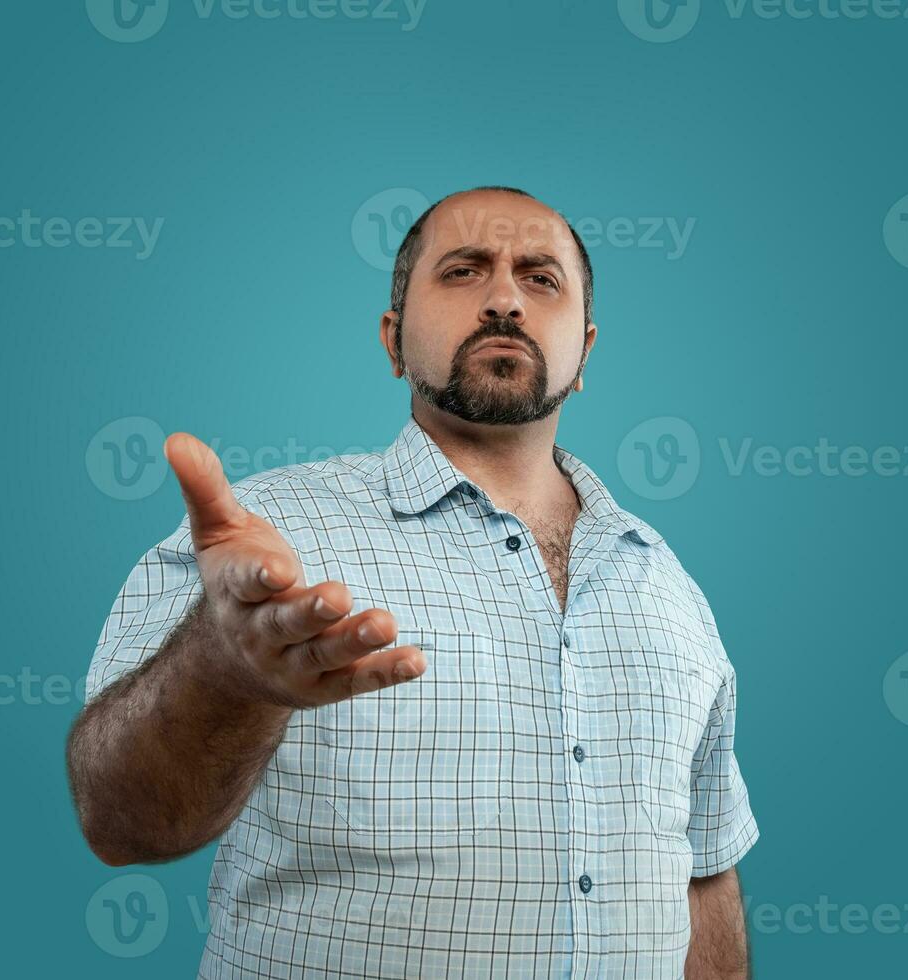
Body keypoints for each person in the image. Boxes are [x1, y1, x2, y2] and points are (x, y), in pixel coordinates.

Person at [67, 185, 759, 978]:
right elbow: (118, 822)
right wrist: (224, 674)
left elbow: (702, 870)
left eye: (541, 278)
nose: (504, 299)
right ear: (393, 341)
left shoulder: (667, 585)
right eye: (463, 272)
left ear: (586, 352)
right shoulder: (261, 541)